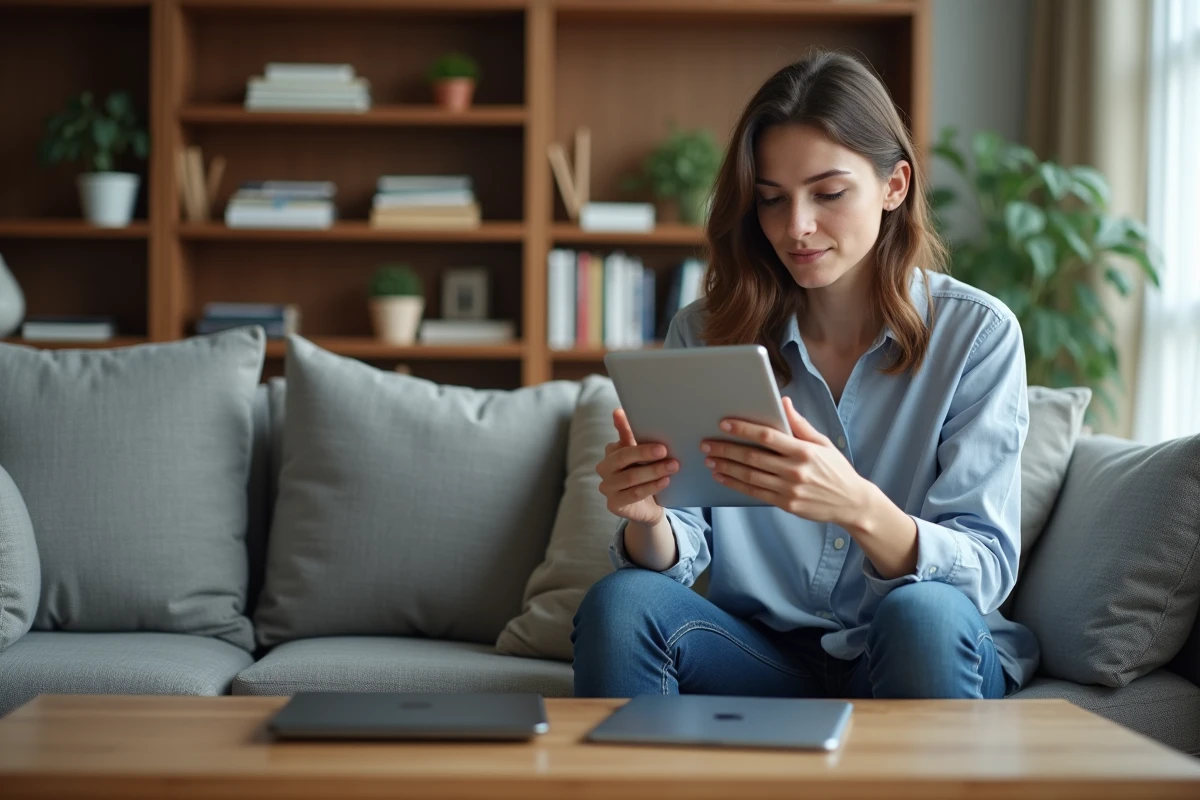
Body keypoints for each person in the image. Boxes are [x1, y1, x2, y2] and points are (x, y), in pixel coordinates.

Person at [572, 50, 1039, 700]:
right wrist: (647, 519)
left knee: (922, 614)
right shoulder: (706, 333)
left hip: (909, 643)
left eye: (829, 193)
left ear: (894, 186)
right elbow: (685, 549)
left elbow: (983, 570)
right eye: (771, 200)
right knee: (623, 604)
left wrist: (856, 505)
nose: (796, 228)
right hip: (759, 653)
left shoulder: (976, 336)